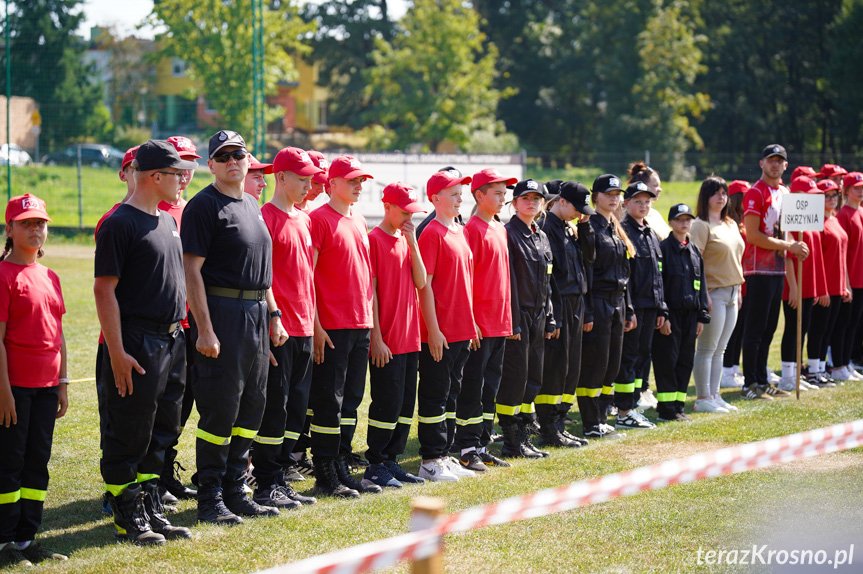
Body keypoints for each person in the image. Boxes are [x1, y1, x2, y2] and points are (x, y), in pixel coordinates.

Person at [94, 140, 195, 544]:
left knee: (161, 431)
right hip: (137, 342)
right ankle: (127, 514)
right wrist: (117, 352)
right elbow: (105, 292)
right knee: (129, 432)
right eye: (176, 173)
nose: (183, 179)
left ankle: (151, 506)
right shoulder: (121, 223)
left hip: (172, 341)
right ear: (155, 177)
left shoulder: (168, 220)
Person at [181, 130, 285, 524]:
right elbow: (192, 270)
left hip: (256, 314)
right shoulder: (203, 206)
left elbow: (264, 274)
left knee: (251, 406)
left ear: (247, 158)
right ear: (210, 165)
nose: (231, 162)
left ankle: (235, 490)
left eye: (237, 154)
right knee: (220, 409)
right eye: (222, 156)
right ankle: (210, 496)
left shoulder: (252, 204)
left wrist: (273, 316)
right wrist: (204, 328)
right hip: (222, 313)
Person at [250, 147, 323, 509]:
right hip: (281, 329)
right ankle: (265, 483)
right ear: (280, 177)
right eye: (302, 177)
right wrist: (274, 318)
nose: (309, 183)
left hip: (306, 328)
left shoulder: (304, 218)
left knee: (296, 407)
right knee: (274, 408)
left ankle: (281, 476)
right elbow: (263, 279)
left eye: (311, 177)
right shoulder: (265, 217)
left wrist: (315, 324)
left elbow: (306, 276)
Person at [0, 194, 69, 565]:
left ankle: (27, 539)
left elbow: (58, 335)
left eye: (40, 223)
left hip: (46, 388)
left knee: (36, 462)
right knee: (10, 461)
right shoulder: (3, 275)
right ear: (9, 229)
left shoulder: (50, 276)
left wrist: (64, 381)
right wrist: (3, 391)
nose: (35, 229)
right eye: (26, 222)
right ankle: (4, 540)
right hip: (14, 390)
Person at [308, 155, 380, 497]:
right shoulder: (318, 220)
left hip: (360, 324)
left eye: (360, 181)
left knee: (351, 400)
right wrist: (316, 325)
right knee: (329, 402)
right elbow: (308, 276)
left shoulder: (359, 219)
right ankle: (324, 471)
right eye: (352, 180)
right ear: (331, 183)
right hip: (333, 326)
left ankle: (339, 461)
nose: (358, 186)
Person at [363, 182, 428, 487]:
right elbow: (371, 292)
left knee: (404, 405)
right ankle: (375, 463)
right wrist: (376, 338)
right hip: (387, 339)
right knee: (386, 404)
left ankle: (392, 460)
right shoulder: (374, 240)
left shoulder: (406, 239)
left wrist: (413, 243)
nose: (408, 218)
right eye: (403, 212)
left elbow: (420, 281)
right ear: (386, 207)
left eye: (411, 212)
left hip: (410, 337)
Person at [416, 168, 478, 481]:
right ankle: (429, 460)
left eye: (460, 193)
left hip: (461, 331)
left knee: (451, 395)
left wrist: (471, 325)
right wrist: (434, 330)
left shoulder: (459, 231)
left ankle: (445, 454)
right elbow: (424, 286)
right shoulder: (431, 234)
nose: (459, 199)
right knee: (435, 394)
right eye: (453, 194)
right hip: (438, 333)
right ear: (435, 199)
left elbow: (464, 284)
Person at [454, 169, 516, 471]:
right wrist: (472, 321)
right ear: (479, 195)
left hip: (499, 323)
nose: (503, 198)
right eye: (497, 193)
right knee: (473, 388)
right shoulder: (473, 230)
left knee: (490, 388)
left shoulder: (499, 228)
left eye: (505, 193)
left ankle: (482, 444)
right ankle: (466, 447)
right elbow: (465, 280)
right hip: (480, 325)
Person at [740, 144, 807, 399]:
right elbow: (754, 236)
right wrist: (788, 245)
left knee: (769, 329)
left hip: (777, 270)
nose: (775, 165)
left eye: (779, 161)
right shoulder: (755, 192)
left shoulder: (786, 192)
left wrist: (796, 246)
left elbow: (788, 231)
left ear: (785, 165)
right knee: (755, 329)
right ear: (761, 163)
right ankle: (750, 384)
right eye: (771, 160)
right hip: (758, 269)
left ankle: (762, 379)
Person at [497, 179, 558, 457]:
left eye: (536, 199)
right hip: (518, 318)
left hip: (538, 317)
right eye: (525, 198)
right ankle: (511, 441)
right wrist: (513, 320)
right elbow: (506, 282)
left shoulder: (541, 235)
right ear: (514, 203)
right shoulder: (508, 233)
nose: (531, 203)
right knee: (515, 380)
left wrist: (551, 316)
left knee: (533, 378)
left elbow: (547, 280)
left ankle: (524, 436)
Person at [157, 135, 200, 505]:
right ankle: (146, 479)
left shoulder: (192, 210)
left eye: (190, 164)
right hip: (157, 326)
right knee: (152, 407)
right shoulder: (148, 211)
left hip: (190, 324)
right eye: (179, 164)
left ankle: (165, 470)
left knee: (180, 404)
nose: (184, 172)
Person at [578, 174, 635, 440]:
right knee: (596, 363)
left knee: (612, 364)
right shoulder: (590, 227)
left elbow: (625, 271)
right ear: (595, 197)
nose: (615, 198)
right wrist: (588, 311)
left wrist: (629, 308)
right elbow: (587, 273)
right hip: (599, 301)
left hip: (618, 302)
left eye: (618, 194)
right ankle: (591, 422)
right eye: (609, 194)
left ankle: (602, 418)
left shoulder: (616, 227)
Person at [537, 180, 594, 446]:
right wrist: (552, 316)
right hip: (558, 304)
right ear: (561, 201)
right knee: (556, 368)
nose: (579, 213)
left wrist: (584, 226)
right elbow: (548, 279)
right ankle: (549, 428)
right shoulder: (546, 228)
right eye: (577, 208)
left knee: (571, 367)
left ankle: (560, 423)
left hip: (576, 303)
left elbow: (589, 259)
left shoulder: (570, 228)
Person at [609, 181, 665, 431]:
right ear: (626, 203)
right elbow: (625, 276)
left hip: (651, 307)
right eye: (637, 201)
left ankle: (632, 406)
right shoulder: (623, 231)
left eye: (647, 201)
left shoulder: (651, 233)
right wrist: (628, 309)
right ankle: (624, 411)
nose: (643, 206)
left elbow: (658, 274)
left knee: (642, 359)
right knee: (629, 359)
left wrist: (661, 308)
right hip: (634, 308)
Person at [690, 176, 746, 413]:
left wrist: (739, 289)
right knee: (707, 347)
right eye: (716, 193)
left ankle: (714, 395)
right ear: (706, 197)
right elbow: (695, 263)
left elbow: (736, 258)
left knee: (721, 348)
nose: (721, 197)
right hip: (713, 293)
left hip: (733, 291)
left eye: (724, 193)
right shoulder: (701, 225)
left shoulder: (730, 223)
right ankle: (702, 397)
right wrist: (704, 296)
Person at [653, 203, 709, 421]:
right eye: (679, 219)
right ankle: (666, 409)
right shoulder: (663, 249)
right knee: (668, 360)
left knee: (685, 361)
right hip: (671, 315)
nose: (684, 223)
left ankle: (678, 406)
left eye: (687, 220)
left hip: (690, 315)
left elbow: (700, 283)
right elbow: (659, 284)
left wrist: (701, 316)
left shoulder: (694, 250)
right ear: (670, 223)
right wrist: (663, 315)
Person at [779, 177, 828, 391]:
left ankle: (797, 374)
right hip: (795, 286)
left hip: (809, 285)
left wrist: (815, 287)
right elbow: (788, 256)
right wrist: (794, 288)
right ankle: (788, 376)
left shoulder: (812, 220)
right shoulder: (790, 220)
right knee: (793, 329)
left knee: (803, 329)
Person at [811, 179, 850, 384]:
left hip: (838, 286)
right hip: (825, 287)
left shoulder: (834, 219)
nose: (832, 199)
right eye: (826, 196)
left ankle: (822, 369)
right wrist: (821, 288)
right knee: (819, 329)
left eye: (835, 195)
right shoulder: (817, 223)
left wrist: (846, 284)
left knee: (830, 329)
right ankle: (814, 370)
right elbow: (817, 260)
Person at [830, 171, 863, 382]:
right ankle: (838, 364)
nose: (860, 192)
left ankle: (848, 361)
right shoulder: (843, 215)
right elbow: (841, 252)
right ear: (847, 191)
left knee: (854, 322)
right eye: (857, 188)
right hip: (851, 279)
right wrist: (846, 283)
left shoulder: (861, 212)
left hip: (861, 278)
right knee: (844, 322)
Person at [719, 180, 749, 389]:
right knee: (732, 330)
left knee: (741, 328)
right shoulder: (730, 223)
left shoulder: (743, 223)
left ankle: (734, 368)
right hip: (734, 281)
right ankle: (727, 369)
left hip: (744, 282)